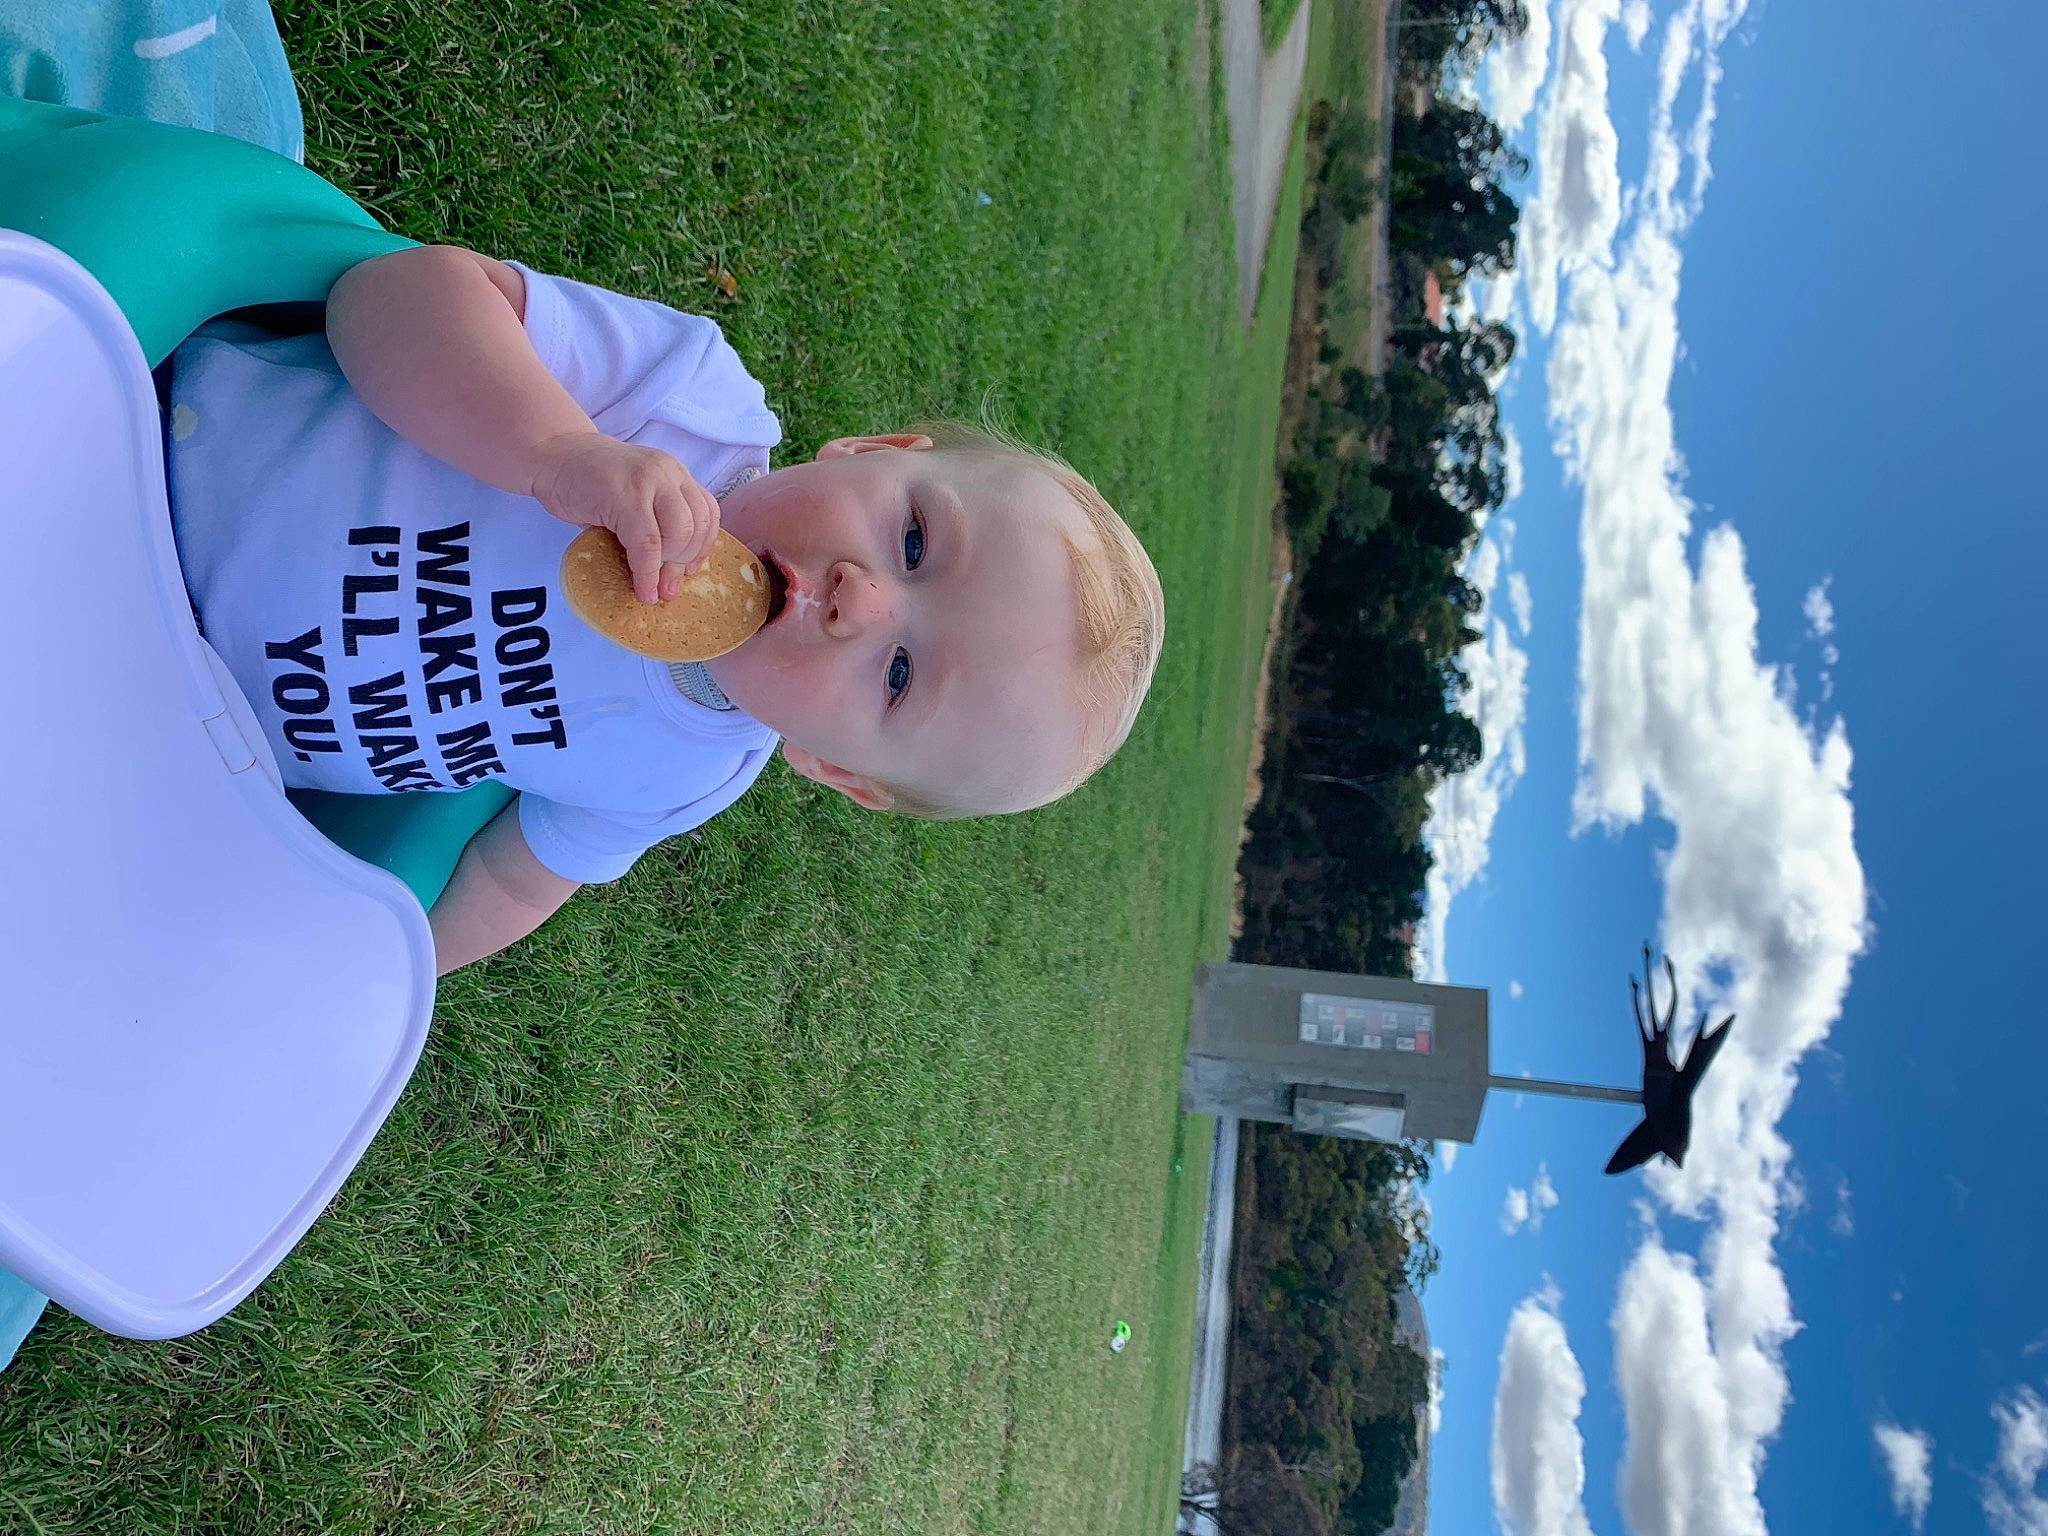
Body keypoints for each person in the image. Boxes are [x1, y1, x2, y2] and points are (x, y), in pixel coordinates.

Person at [167, 244, 1166, 972]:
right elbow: (389, 297)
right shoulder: (682, 405)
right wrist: (557, 452)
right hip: (133, 455)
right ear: (868, 452)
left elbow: (516, 880)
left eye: (899, 675)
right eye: (913, 543)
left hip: (167, 727)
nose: (860, 602)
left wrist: (385, 974)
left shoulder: (683, 770)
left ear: (832, 766)